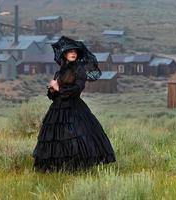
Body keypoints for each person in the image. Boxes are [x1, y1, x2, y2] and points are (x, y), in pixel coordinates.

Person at [32, 36, 116, 172]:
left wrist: (59, 88)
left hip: (74, 108)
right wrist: (53, 90)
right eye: (70, 51)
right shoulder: (60, 72)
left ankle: (76, 167)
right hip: (57, 110)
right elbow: (53, 97)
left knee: (76, 135)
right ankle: (58, 169)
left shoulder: (79, 70)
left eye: (75, 51)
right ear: (64, 54)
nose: (73, 53)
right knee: (56, 138)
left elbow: (77, 89)